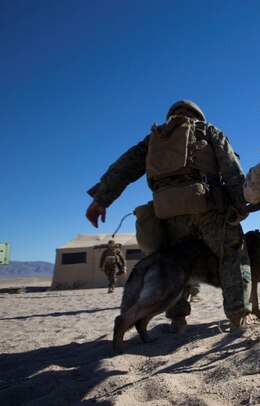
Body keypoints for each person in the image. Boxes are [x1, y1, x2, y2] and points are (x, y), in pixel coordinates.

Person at [86, 100, 251, 331]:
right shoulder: (206, 130)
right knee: (232, 255)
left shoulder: (153, 139)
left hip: (167, 213)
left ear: (170, 116)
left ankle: (177, 319)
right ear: (198, 116)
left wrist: (100, 200)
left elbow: (123, 167)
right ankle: (238, 316)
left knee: (177, 264)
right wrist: (240, 201)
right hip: (208, 208)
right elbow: (230, 165)